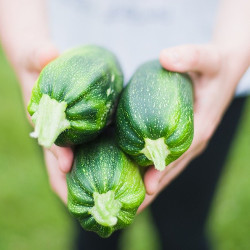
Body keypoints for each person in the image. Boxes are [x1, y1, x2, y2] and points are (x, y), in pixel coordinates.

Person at [0, 0, 249, 249]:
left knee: (184, 227)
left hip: (206, 65)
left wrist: (234, 52)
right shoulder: (59, 93)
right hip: (72, 64)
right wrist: (25, 40)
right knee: (94, 236)